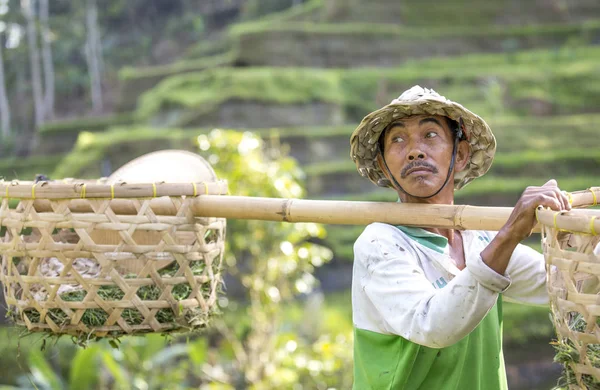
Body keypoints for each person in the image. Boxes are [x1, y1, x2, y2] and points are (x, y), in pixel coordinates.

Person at [349, 86, 570, 390]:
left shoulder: (477, 237)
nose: (414, 150)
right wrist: (509, 235)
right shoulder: (379, 245)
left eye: (430, 135)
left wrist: (580, 242)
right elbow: (433, 325)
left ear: (461, 154)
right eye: (397, 140)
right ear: (385, 166)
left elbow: (563, 286)